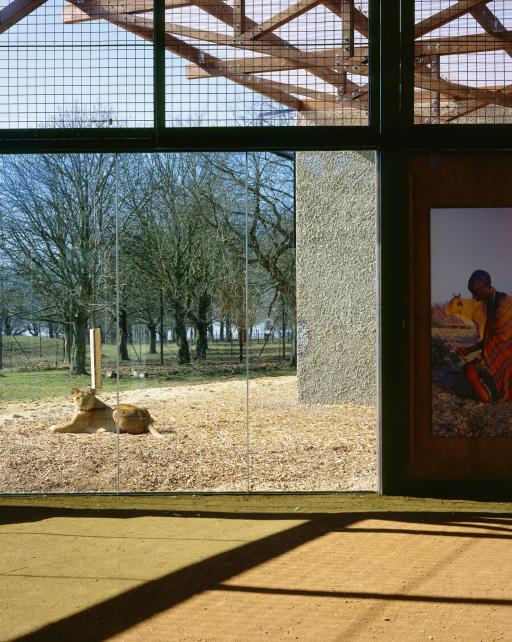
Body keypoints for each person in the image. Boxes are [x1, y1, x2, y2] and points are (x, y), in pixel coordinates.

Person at [456, 270, 512, 403]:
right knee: (468, 369)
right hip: (504, 352)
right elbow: (491, 339)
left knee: (470, 370)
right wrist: (469, 350)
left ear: (488, 288)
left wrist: (476, 362)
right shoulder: (490, 301)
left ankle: (491, 398)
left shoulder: (502, 303)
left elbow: (501, 343)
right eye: (472, 293)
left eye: (476, 293)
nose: (474, 297)